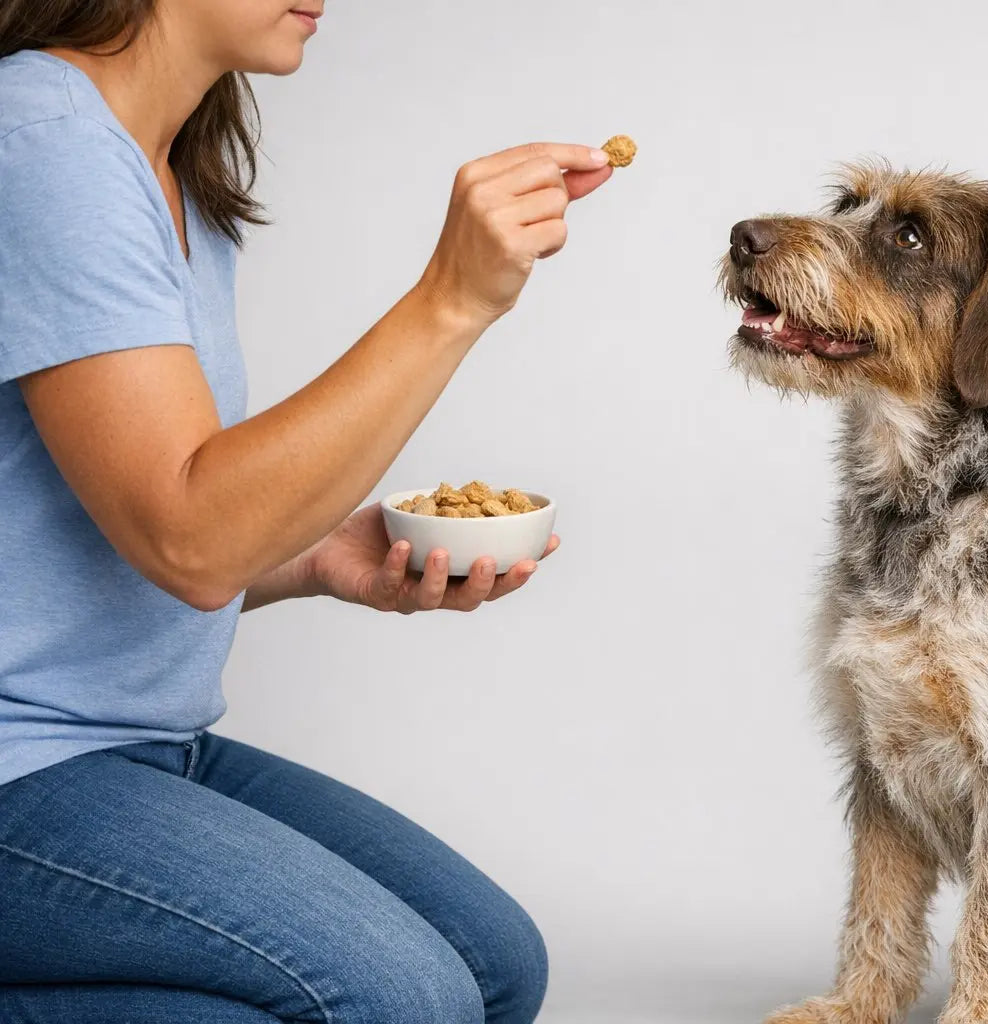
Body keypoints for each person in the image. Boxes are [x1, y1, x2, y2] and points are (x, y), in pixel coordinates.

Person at [0, 2, 613, 1021]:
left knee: (495, 965)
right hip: (21, 764)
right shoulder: (43, 138)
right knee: (400, 998)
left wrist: (322, 551)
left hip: (133, 747)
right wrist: (452, 298)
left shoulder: (165, 167)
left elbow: (140, 522)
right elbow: (189, 535)